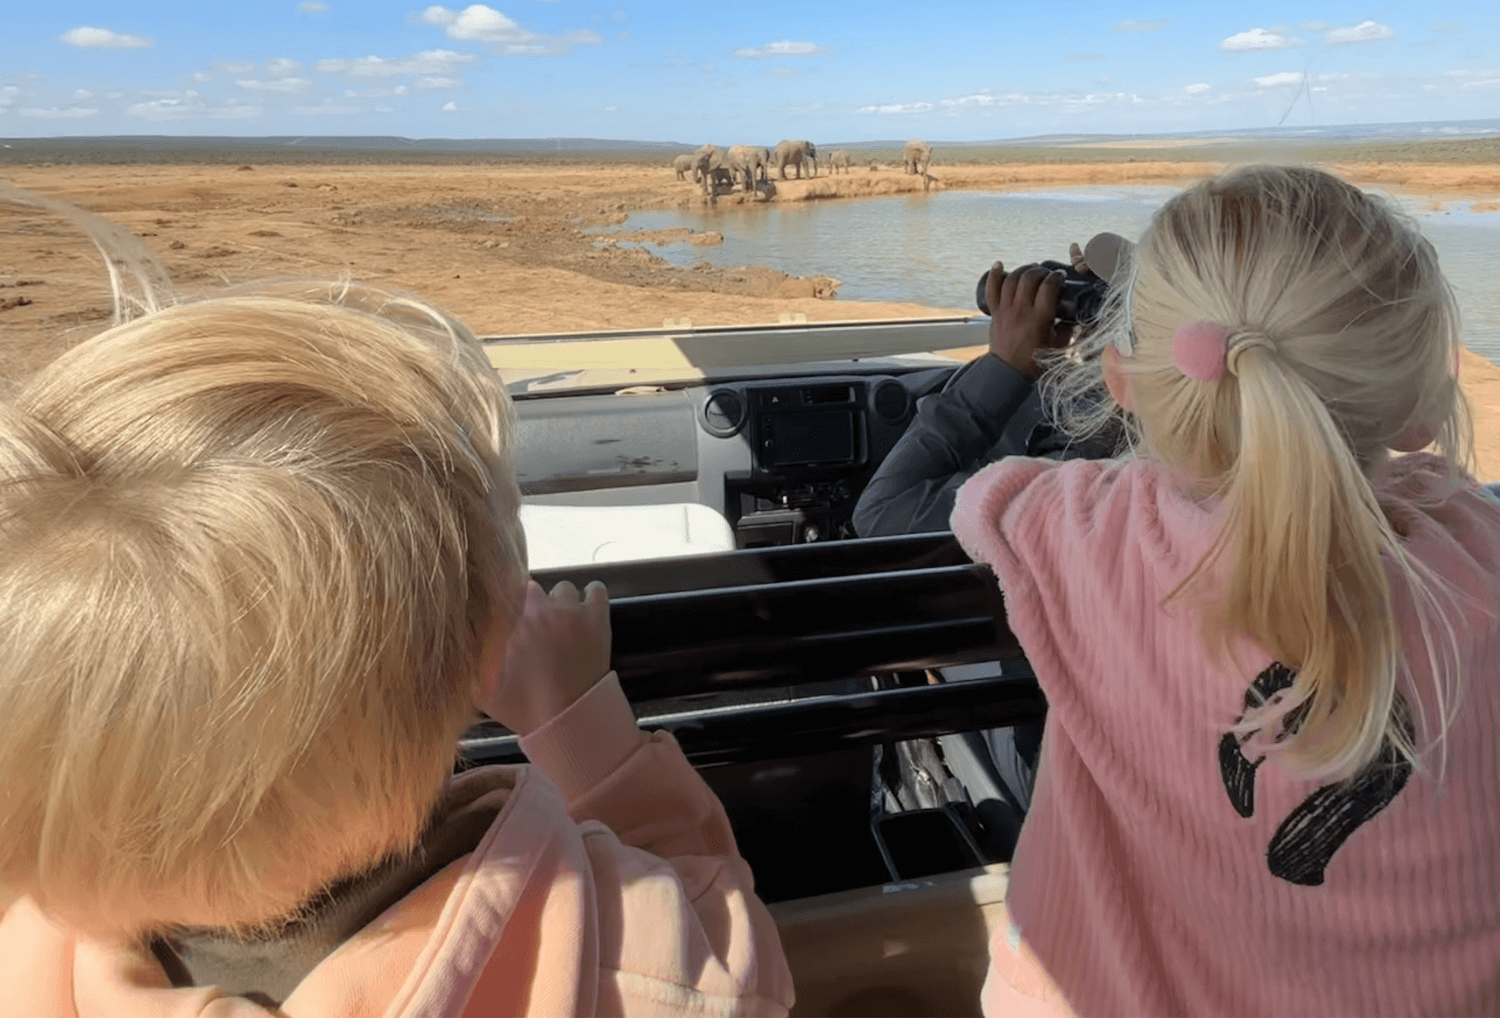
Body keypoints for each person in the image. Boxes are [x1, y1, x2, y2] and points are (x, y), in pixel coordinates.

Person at [0, 189, 794, 1016]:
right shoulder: (626, 957)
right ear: (492, 650)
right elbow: (743, 969)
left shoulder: (25, 958)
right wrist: (580, 724)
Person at [954, 166, 1500, 1016]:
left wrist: (1010, 361)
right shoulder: (1478, 553)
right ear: (1418, 407)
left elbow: (952, 502)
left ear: (1121, 379)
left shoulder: (1086, 529)